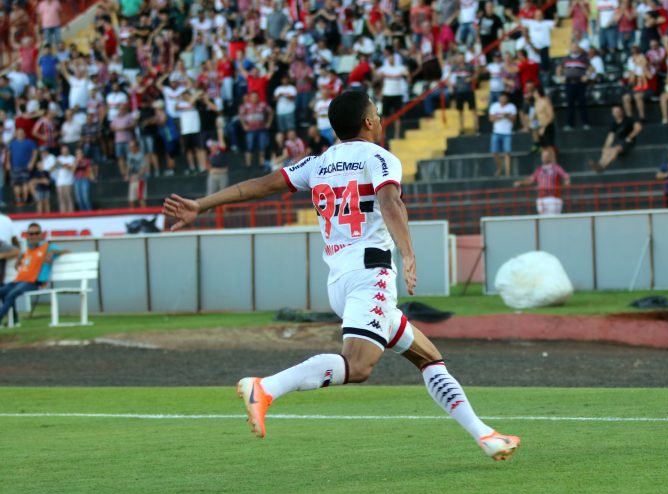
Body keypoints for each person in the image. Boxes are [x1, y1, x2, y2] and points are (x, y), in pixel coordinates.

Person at [162, 91, 520, 462]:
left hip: (340, 280)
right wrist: (409, 253)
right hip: (371, 276)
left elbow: (260, 185)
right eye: (377, 114)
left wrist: (201, 205)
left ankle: (485, 435)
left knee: (428, 357)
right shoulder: (379, 157)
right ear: (368, 122)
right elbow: (389, 201)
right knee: (360, 366)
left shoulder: (318, 164)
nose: (380, 120)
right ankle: (265, 387)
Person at [0, 223, 69, 326]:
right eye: (31, 234)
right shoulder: (28, 249)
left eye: (36, 233)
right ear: (27, 235)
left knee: (12, 293)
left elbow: (67, 251)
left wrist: (53, 252)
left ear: (41, 234)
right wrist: (20, 257)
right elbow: (25, 257)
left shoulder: (48, 247)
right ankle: (14, 320)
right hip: (19, 281)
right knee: (4, 291)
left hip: (33, 283)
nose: (33, 236)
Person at [514, 148, 571, 215]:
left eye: (546, 156)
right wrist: (521, 183)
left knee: (553, 219)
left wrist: (567, 182)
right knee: (543, 220)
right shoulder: (539, 169)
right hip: (541, 198)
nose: (544, 158)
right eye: (543, 156)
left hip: (553, 197)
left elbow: (566, 176)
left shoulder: (556, 168)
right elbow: (531, 180)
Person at [590, 105, 643, 172]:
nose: (616, 113)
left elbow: (639, 128)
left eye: (618, 111)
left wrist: (629, 137)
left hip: (629, 142)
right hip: (620, 142)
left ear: (622, 112)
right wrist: (605, 146)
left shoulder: (629, 120)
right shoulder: (613, 124)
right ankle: (599, 164)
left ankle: (603, 166)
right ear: (612, 113)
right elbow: (610, 136)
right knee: (607, 150)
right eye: (615, 112)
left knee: (615, 149)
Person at [488, 92, 517, 177]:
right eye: (501, 97)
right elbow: (491, 119)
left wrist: (507, 116)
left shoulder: (512, 107)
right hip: (496, 132)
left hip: (507, 133)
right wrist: (501, 116)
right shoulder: (494, 106)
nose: (503, 99)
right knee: (494, 152)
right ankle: (499, 168)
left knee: (507, 153)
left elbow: (514, 119)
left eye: (504, 97)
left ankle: (508, 173)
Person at [126, 140, 148, 208]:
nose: (131, 148)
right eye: (130, 147)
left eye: (133, 146)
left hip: (140, 179)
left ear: (137, 147)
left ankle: (145, 214)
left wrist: (137, 176)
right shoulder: (129, 155)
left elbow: (144, 168)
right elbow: (129, 166)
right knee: (131, 199)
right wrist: (127, 175)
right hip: (132, 179)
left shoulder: (141, 155)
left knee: (140, 198)